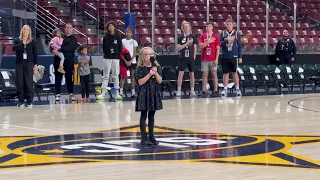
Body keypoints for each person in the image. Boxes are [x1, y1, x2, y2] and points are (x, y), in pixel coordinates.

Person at [135, 47, 163, 146]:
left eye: (151, 54)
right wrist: (149, 73)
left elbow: (160, 81)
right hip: (144, 92)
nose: (149, 56)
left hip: (153, 92)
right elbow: (140, 82)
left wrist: (155, 73)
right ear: (142, 57)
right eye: (147, 54)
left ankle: (152, 136)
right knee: (144, 114)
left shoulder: (157, 66)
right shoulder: (140, 68)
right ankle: (144, 137)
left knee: (152, 115)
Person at [12, 25, 38, 107]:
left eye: (27, 30)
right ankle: (21, 100)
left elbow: (35, 54)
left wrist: (35, 64)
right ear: (22, 31)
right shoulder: (17, 40)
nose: (25, 31)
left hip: (29, 63)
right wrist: (22, 43)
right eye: (24, 29)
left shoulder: (32, 41)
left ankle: (29, 100)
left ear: (29, 31)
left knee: (28, 82)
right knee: (20, 82)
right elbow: (14, 48)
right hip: (19, 63)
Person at [97, 21, 122, 100]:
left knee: (115, 76)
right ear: (107, 28)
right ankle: (103, 94)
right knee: (105, 76)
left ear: (114, 27)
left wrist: (117, 56)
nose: (110, 27)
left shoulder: (118, 37)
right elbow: (104, 48)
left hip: (115, 58)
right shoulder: (105, 37)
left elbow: (120, 48)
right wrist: (108, 55)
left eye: (112, 26)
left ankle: (117, 94)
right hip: (107, 58)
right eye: (109, 26)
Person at [54, 23, 78, 101]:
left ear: (72, 29)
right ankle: (57, 94)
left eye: (70, 27)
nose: (68, 29)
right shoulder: (60, 38)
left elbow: (70, 48)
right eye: (67, 27)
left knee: (68, 77)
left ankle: (71, 93)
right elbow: (53, 46)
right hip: (58, 59)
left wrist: (60, 49)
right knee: (58, 77)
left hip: (69, 60)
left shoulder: (74, 39)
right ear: (65, 29)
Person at [220, 19, 242, 98]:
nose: (229, 25)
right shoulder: (222, 33)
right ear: (226, 25)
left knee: (234, 72)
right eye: (227, 24)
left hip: (234, 56)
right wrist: (227, 40)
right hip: (225, 55)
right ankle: (225, 89)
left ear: (233, 25)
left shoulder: (236, 33)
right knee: (225, 73)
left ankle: (237, 88)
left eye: (230, 24)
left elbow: (239, 46)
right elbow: (220, 44)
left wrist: (240, 56)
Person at [176, 21, 198, 97]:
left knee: (192, 74)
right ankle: (179, 90)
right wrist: (187, 43)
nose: (186, 28)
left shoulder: (193, 37)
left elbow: (195, 48)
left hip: (191, 58)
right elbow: (179, 48)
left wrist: (194, 56)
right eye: (185, 27)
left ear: (190, 27)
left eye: (188, 26)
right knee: (180, 74)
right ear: (182, 28)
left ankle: (192, 90)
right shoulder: (180, 37)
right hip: (183, 57)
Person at [199, 22, 220, 96]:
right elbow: (200, 46)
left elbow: (218, 48)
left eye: (209, 26)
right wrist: (207, 42)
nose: (208, 27)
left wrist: (217, 58)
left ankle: (216, 90)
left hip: (213, 59)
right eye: (206, 26)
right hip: (204, 58)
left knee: (214, 74)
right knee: (205, 74)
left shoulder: (215, 36)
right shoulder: (203, 36)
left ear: (212, 27)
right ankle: (204, 90)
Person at [121, 26, 138, 98]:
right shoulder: (122, 41)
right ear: (125, 33)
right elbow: (121, 53)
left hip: (132, 61)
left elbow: (134, 53)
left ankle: (133, 92)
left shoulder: (134, 42)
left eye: (130, 32)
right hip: (123, 61)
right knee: (123, 76)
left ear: (132, 34)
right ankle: (120, 92)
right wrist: (125, 61)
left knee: (132, 76)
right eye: (127, 32)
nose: (128, 33)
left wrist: (130, 61)